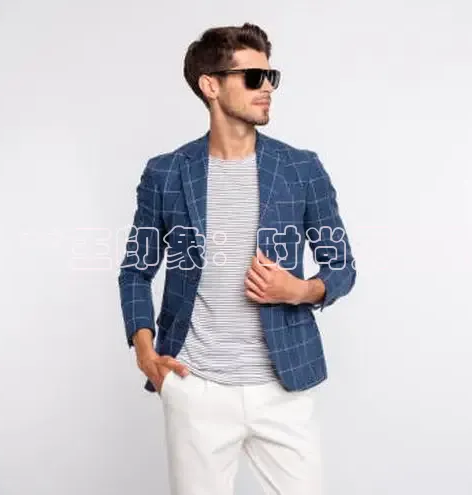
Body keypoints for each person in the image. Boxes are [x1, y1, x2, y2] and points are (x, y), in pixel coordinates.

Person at [117, 23, 356, 495]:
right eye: (253, 77)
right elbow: (136, 270)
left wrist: (301, 290)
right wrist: (146, 352)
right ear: (211, 85)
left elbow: (341, 265)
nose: (267, 88)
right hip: (196, 387)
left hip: (283, 387)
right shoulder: (167, 173)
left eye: (271, 77)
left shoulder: (301, 169)